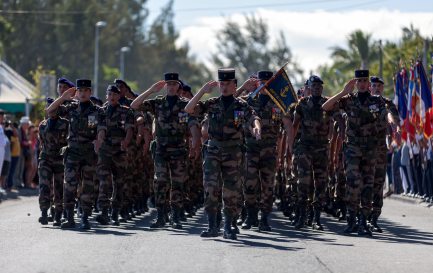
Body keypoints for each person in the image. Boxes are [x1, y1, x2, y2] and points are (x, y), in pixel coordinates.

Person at [184, 68, 261, 240]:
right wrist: (203, 91)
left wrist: (256, 129)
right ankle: (212, 226)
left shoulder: (241, 106)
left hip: (233, 153)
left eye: (227, 84)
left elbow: (254, 118)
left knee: (231, 191)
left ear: (235, 86)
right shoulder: (211, 103)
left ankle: (228, 226)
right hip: (213, 151)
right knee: (211, 189)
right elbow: (189, 109)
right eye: (222, 84)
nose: (224, 87)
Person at [322, 69, 399, 236]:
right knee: (353, 182)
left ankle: (364, 221)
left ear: (367, 83)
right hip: (353, 149)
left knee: (368, 186)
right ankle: (351, 220)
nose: (363, 84)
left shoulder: (377, 101)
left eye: (365, 81)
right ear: (355, 83)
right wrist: (343, 92)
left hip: (370, 150)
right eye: (360, 81)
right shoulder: (348, 100)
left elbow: (388, 115)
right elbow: (325, 107)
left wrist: (394, 126)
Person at [131, 73, 200, 229]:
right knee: (160, 182)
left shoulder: (185, 105)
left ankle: (176, 216)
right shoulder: (158, 103)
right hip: (161, 150)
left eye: (174, 84)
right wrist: (151, 90)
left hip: (178, 150)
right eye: (168, 84)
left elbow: (193, 125)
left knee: (178, 183)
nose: (171, 87)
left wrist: (195, 144)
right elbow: (134, 105)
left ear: (178, 87)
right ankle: (161, 216)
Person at [46, 79, 101, 230]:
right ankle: (69, 217)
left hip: (89, 153)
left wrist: (98, 142)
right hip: (73, 152)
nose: (82, 93)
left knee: (87, 186)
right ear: (77, 92)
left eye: (85, 91)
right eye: (80, 91)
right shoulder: (71, 107)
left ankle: (84, 217)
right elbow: (50, 111)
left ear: (90, 92)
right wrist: (63, 98)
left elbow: (100, 130)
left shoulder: (96, 111)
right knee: (69, 185)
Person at [291, 75, 333, 230]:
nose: (317, 88)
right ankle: (301, 215)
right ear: (308, 87)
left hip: (321, 148)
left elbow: (335, 122)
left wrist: (332, 140)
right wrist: (292, 147)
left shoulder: (327, 103)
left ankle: (316, 218)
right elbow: (295, 125)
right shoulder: (302, 104)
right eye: (314, 86)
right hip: (305, 148)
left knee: (321, 183)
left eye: (319, 86)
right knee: (303, 182)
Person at [369, 76, 400, 232]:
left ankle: (373, 218)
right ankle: (361, 217)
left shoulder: (387, 103)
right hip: (363, 150)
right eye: (374, 85)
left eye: (379, 86)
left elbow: (392, 117)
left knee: (378, 184)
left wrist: (395, 127)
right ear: (369, 87)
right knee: (363, 184)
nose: (377, 88)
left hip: (380, 150)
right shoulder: (363, 101)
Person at [38, 98, 69, 226]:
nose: (51, 111)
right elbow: (41, 143)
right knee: (44, 186)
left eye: (54, 108)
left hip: (59, 160)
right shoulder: (42, 125)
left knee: (59, 187)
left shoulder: (65, 124)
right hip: (45, 159)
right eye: (49, 108)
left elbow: (68, 142)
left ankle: (57, 214)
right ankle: (44, 213)